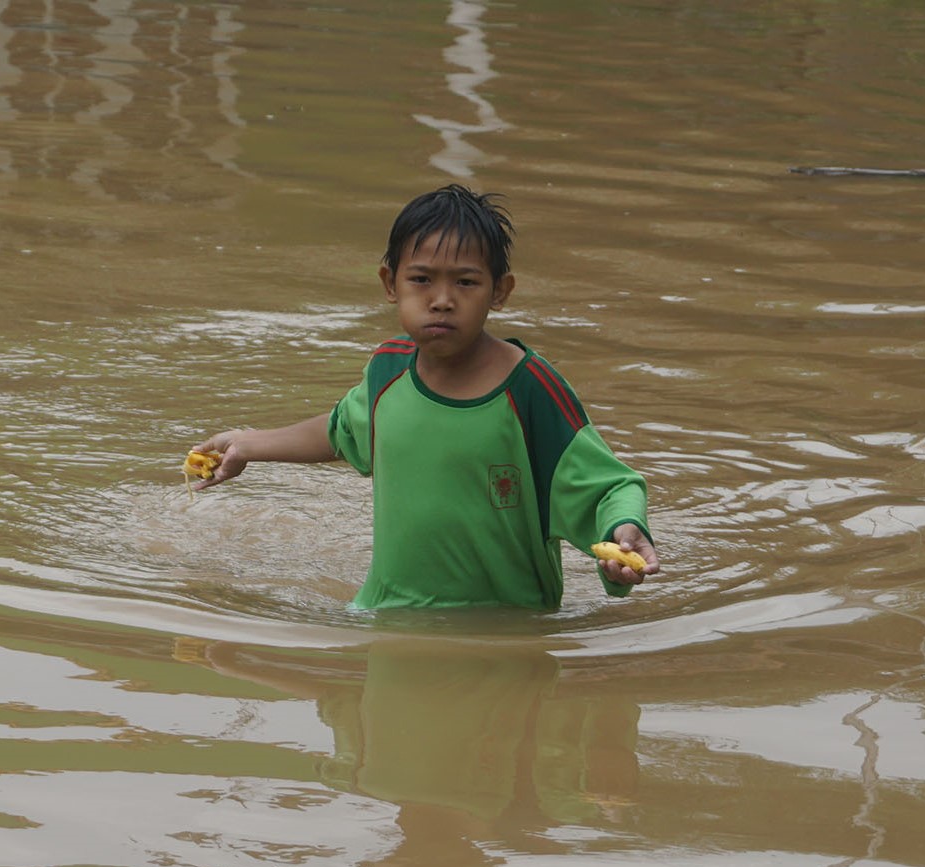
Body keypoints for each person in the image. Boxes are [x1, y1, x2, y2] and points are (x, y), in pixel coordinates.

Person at [191, 184, 660, 611]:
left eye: (466, 282)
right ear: (389, 284)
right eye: (421, 280)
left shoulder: (530, 388)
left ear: (500, 291)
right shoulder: (388, 371)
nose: (442, 299)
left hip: (506, 630)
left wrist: (623, 531)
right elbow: (339, 431)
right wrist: (248, 444)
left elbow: (609, 484)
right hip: (384, 613)